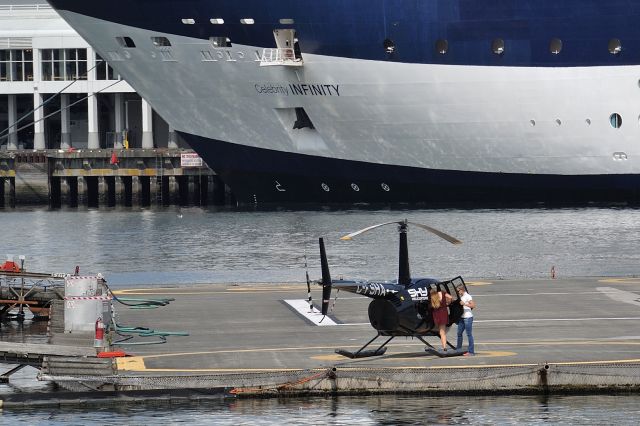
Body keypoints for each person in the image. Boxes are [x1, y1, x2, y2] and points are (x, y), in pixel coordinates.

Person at [456, 285, 475, 356]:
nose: (458, 292)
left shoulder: (468, 296)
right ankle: (458, 349)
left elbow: (473, 305)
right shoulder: (461, 296)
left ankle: (471, 351)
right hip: (462, 317)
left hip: (468, 317)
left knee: (469, 334)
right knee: (459, 333)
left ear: (462, 290)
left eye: (458, 291)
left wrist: (464, 304)